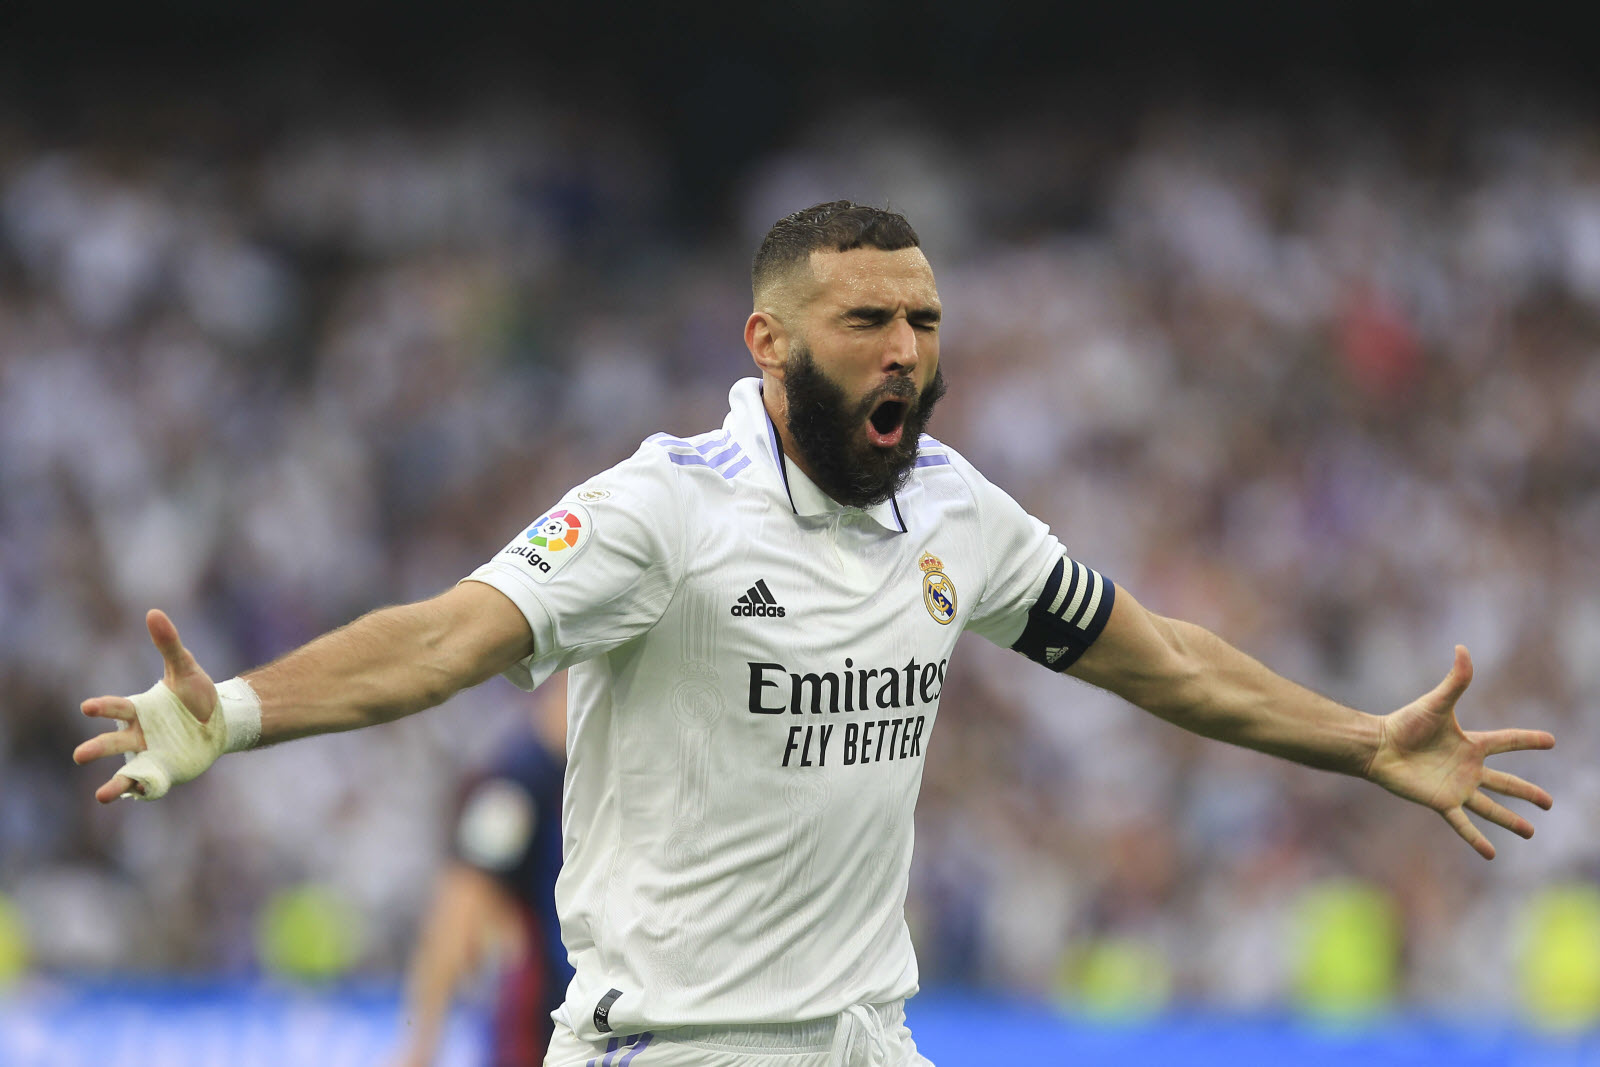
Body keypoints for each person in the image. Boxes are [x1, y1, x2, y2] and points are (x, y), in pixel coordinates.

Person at [75, 201, 1555, 1067]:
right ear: (769, 342)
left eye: (921, 316)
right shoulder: (664, 508)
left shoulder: (957, 511)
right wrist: (241, 712)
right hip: (682, 1048)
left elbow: (1155, 656)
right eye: (864, 320)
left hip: (864, 1038)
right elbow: (446, 638)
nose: (905, 345)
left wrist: (1363, 738)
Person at [394, 673, 572, 1067]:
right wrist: (422, 1044)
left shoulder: (586, 773)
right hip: (541, 1034)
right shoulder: (516, 782)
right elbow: (459, 903)